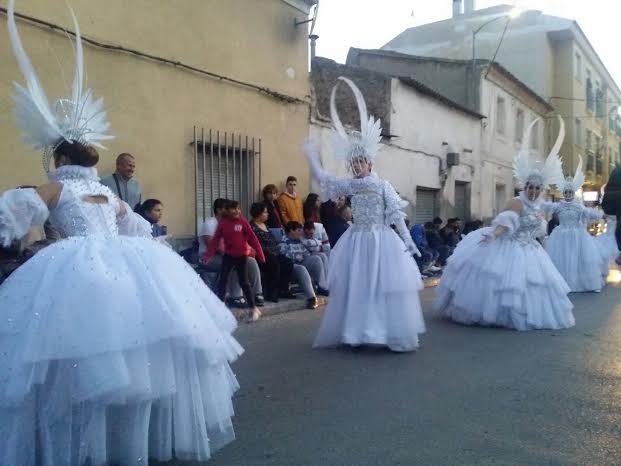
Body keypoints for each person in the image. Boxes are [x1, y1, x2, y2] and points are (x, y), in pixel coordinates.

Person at [0, 4, 241, 464]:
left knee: (75, 366)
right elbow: (142, 229)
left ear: (56, 155)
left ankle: (85, 444)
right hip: (127, 274)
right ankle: (123, 442)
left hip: (73, 275)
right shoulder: (106, 195)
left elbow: (12, 213)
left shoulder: (56, 188)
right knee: (133, 358)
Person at [303, 77, 426, 352]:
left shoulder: (383, 185)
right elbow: (324, 178)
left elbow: (395, 215)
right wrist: (311, 158)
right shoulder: (350, 185)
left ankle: (386, 332)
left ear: (370, 162)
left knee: (382, 286)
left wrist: (408, 240)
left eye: (361, 161)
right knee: (358, 287)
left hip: (382, 242)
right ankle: (358, 332)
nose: (357, 165)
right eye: (353, 162)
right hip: (357, 241)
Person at [433, 117, 575, 330]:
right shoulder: (517, 202)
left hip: (530, 250)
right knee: (502, 284)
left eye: (537, 188)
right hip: (508, 247)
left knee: (533, 285)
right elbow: (505, 223)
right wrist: (494, 235)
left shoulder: (539, 206)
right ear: (525, 186)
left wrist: (544, 245)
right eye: (530, 187)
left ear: (542, 189)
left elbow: (539, 232)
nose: (533, 191)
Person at [545, 157, 604, 292]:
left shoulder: (579, 206)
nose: (568, 194)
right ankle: (562, 283)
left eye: (570, 192)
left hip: (578, 236)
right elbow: (547, 206)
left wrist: (600, 213)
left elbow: (589, 214)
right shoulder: (559, 206)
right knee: (562, 259)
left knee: (578, 258)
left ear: (573, 193)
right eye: (565, 192)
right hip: (561, 235)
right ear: (563, 193)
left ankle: (585, 283)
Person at [204, 200, 265, 322]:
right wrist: (207, 257)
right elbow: (215, 241)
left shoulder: (243, 222)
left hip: (241, 256)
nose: (237, 211)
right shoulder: (223, 224)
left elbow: (253, 239)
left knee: (244, 282)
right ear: (227, 210)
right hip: (228, 256)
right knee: (223, 280)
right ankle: (220, 307)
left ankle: (253, 309)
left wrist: (260, 254)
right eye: (233, 209)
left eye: (238, 208)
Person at [249, 202, 296, 302]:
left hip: (274, 253)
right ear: (259, 213)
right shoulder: (251, 227)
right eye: (265, 212)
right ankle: (271, 292)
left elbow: (273, 241)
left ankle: (284, 289)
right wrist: (271, 251)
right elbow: (256, 245)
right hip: (262, 255)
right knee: (274, 263)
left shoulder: (265, 225)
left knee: (287, 262)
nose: (267, 214)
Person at [280, 221, 329, 296]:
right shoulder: (284, 242)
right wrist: (297, 256)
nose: (300, 233)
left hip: (302, 262)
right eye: (298, 230)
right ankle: (312, 296)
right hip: (294, 266)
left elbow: (306, 253)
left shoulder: (299, 241)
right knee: (302, 267)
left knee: (317, 258)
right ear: (291, 231)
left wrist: (304, 256)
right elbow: (284, 254)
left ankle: (321, 285)